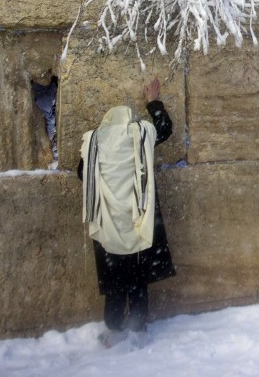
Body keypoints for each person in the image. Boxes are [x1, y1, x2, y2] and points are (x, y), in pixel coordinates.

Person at [77, 78, 175, 346]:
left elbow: (81, 174)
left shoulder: (94, 140)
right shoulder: (139, 136)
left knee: (114, 281)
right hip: (137, 219)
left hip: (109, 224)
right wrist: (152, 101)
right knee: (138, 279)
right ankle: (139, 329)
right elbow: (165, 129)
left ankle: (114, 330)